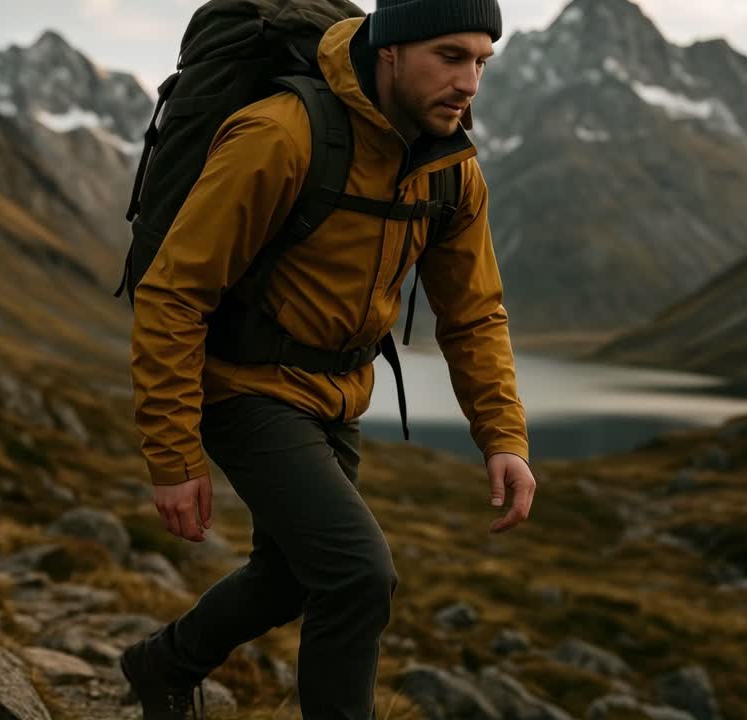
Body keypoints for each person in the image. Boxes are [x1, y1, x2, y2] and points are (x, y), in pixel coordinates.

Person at [122, 1, 535, 717]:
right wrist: (173, 453)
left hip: (337, 393)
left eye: (481, 63)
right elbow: (174, 292)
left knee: (290, 577)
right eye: (450, 56)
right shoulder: (282, 134)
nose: (469, 82)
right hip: (241, 384)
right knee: (356, 575)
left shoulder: (449, 168)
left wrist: (503, 436)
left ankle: (162, 665)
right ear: (390, 51)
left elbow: (471, 315)